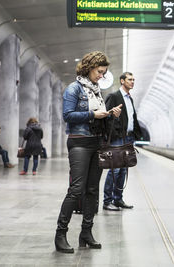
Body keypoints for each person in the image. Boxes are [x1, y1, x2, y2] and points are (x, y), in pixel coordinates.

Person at [55, 51, 121, 254]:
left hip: (96, 143)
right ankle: (60, 234)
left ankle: (86, 233)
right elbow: (68, 116)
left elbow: (97, 117)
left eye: (104, 73)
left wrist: (110, 115)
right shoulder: (74, 89)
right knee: (76, 189)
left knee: (93, 190)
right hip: (79, 143)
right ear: (89, 67)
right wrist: (93, 114)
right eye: (100, 72)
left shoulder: (96, 91)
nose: (101, 76)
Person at [103, 72, 141, 211]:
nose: (132, 82)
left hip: (128, 138)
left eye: (133, 79)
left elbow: (132, 118)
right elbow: (106, 116)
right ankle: (107, 201)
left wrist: (136, 134)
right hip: (118, 138)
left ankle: (118, 199)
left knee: (124, 170)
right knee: (115, 169)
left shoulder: (129, 99)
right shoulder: (114, 96)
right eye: (130, 79)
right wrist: (113, 134)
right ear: (122, 81)